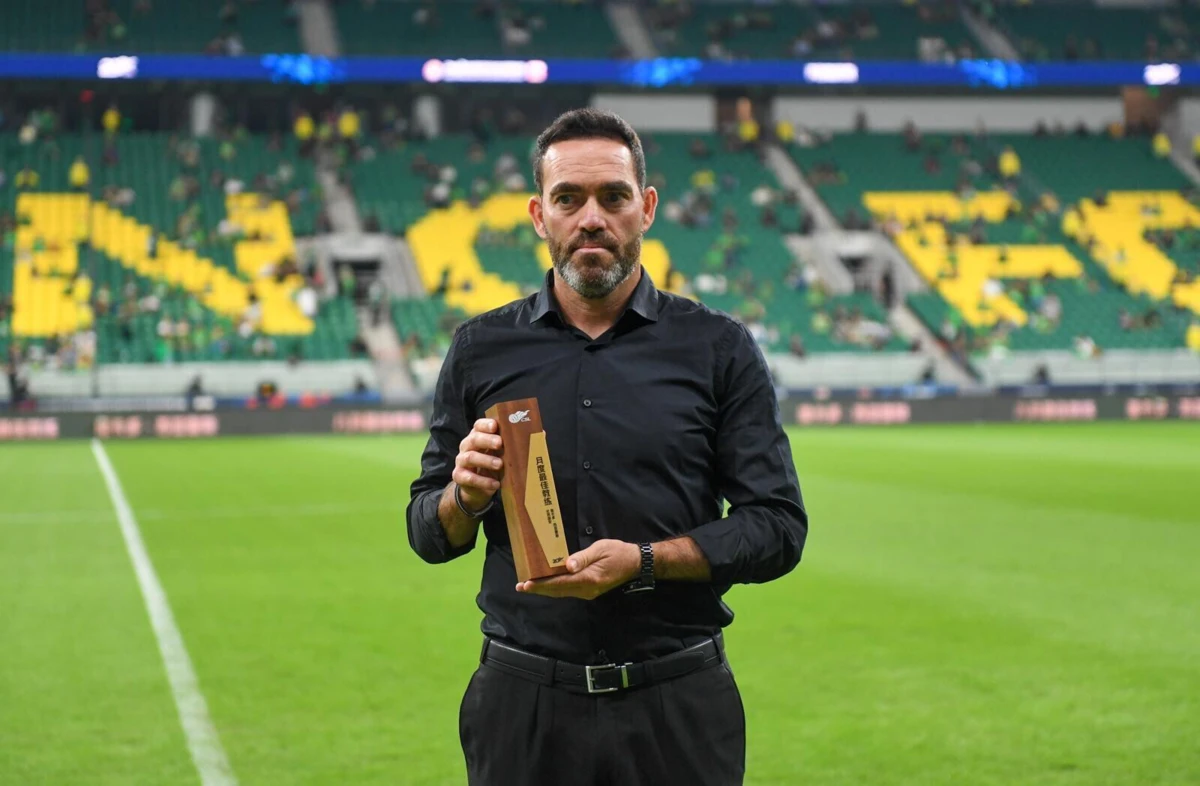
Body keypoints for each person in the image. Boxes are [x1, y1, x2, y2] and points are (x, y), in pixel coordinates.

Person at [406, 108, 808, 786]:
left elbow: (777, 529)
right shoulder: (481, 349)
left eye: (613, 197)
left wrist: (645, 562)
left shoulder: (716, 347)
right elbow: (427, 531)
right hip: (523, 705)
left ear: (645, 207)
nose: (591, 217)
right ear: (540, 215)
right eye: (569, 198)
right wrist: (463, 498)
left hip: (676, 703)